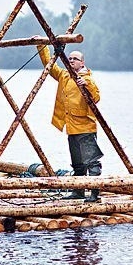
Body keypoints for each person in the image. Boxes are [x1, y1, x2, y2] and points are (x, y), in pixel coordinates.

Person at [36, 42, 103, 202]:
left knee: (92, 162)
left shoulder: (87, 78)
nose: (71, 60)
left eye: (75, 58)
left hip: (86, 127)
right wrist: (41, 46)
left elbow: (96, 97)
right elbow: (50, 66)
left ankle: (94, 194)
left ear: (82, 63)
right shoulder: (65, 75)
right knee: (77, 163)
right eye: (70, 58)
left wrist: (86, 85)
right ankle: (78, 192)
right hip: (71, 127)